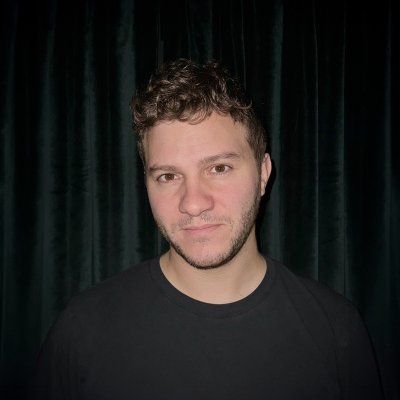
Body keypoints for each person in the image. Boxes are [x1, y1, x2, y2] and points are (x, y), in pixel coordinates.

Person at [32, 59, 383, 399]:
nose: (193, 203)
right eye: (168, 176)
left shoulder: (335, 331)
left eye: (219, 168)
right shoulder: (82, 331)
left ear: (263, 174)